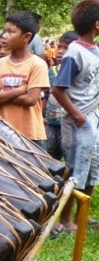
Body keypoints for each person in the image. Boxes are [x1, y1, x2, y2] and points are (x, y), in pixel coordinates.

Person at [50, 0, 99, 238]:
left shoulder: (95, 51)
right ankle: (65, 219)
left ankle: (83, 214)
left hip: (92, 118)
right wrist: (78, 116)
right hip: (78, 121)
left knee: (91, 169)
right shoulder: (74, 53)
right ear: (97, 25)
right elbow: (58, 89)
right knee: (74, 170)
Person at [0, 11, 49, 146]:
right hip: (3, 133)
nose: (4, 37)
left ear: (26, 37)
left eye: (11, 32)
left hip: (30, 134)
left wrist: (1, 94)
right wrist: (20, 90)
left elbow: (30, 99)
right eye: (4, 31)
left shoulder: (37, 65)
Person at [44, 31, 79, 163]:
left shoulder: (78, 73)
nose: (60, 51)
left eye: (66, 48)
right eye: (59, 47)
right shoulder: (51, 72)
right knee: (51, 159)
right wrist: (42, 117)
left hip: (71, 124)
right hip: (51, 124)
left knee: (71, 159)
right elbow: (46, 95)